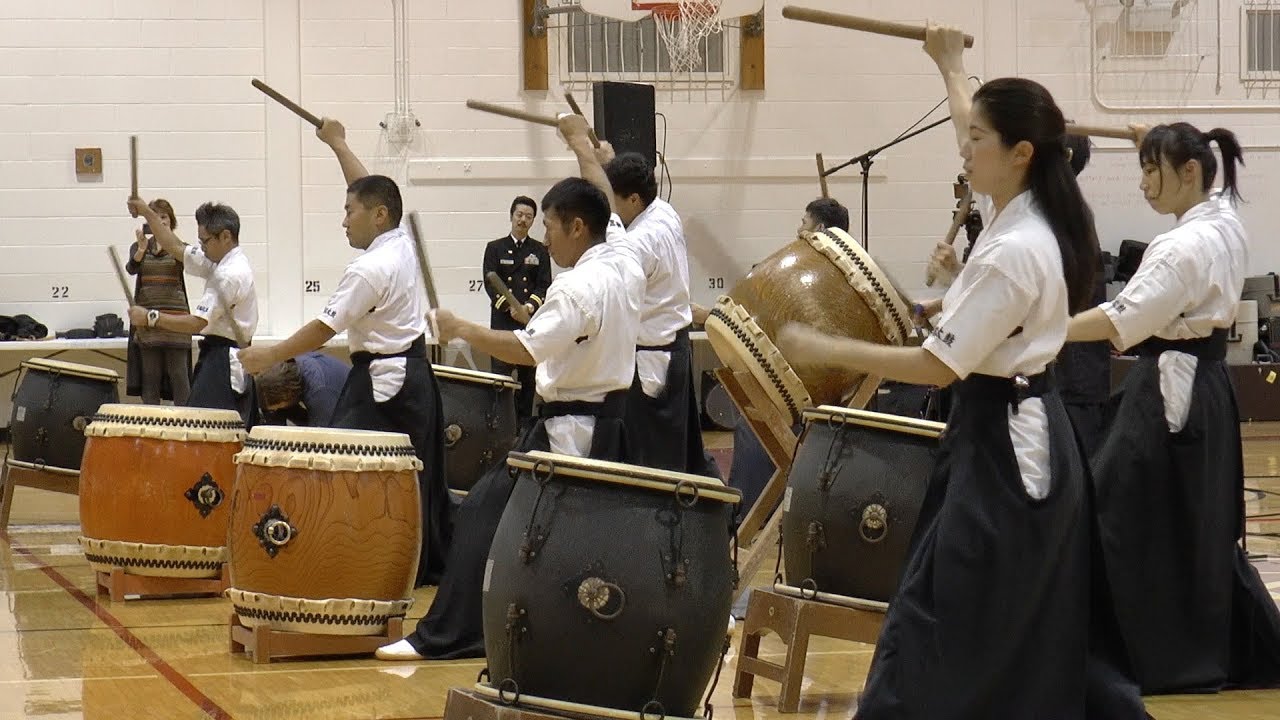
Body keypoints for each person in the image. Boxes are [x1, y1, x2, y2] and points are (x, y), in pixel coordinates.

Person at [777, 25, 1144, 718]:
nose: (964, 149)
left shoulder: (1017, 246)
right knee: (967, 612)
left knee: (945, 615)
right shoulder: (1021, 209)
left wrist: (829, 347)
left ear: (1021, 153)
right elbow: (970, 128)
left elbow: (935, 367)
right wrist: (949, 65)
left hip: (1008, 445)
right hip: (999, 430)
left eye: (978, 140)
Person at [375, 116, 644, 661]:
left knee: (481, 513)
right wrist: (579, 142)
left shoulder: (578, 286)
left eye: (550, 227)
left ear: (577, 228)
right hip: (613, 425)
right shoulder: (624, 257)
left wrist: (460, 328)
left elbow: (526, 348)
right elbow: (603, 195)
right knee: (584, 539)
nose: (545, 238)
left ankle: (448, 636)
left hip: (569, 433)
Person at [1066, 121, 1280, 694]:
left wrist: (1043, 329)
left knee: (1115, 514)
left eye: (1150, 169)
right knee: (1194, 523)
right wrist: (1150, 139)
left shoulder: (1180, 246)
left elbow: (1120, 319)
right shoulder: (1226, 220)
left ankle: (1140, 658)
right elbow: (1198, 164)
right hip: (1207, 387)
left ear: (1188, 172)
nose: (1142, 184)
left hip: (1170, 389)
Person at [237, 117, 451, 587]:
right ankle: (408, 566)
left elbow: (322, 330)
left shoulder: (370, 268)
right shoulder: (400, 241)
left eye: (349, 211)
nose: (343, 220)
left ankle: (363, 561)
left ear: (378, 216)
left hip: (386, 387)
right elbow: (369, 187)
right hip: (413, 376)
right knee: (413, 477)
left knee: (346, 470)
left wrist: (268, 356)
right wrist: (338, 143)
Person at [924, 132, 1112, 455]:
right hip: (1049, 378)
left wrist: (842, 351)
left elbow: (1022, 294)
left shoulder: (1056, 222)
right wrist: (954, 280)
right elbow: (1015, 293)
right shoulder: (1041, 216)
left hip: (1069, 378)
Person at [691, 195, 853, 522]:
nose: (798, 230)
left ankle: (746, 515)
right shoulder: (830, 275)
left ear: (820, 228)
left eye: (803, 224)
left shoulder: (815, 277)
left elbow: (770, 332)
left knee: (756, 419)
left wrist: (708, 317)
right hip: (818, 386)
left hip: (804, 390)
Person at [574, 142, 715, 477]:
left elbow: (606, 232)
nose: (612, 207)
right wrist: (609, 164)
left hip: (652, 359)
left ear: (634, 199)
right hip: (673, 348)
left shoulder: (640, 242)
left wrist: (582, 150)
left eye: (616, 199)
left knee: (653, 461)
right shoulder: (663, 211)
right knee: (682, 453)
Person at [126, 197, 258, 425]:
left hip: (225, 358)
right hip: (217, 353)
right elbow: (175, 247)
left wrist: (150, 317)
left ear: (225, 236)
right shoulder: (219, 261)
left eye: (205, 241)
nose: (202, 246)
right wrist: (146, 211)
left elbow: (197, 323)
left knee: (210, 428)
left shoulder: (230, 274)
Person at [483, 196, 551, 423]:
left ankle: (523, 429)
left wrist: (528, 307)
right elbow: (490, 284)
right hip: (502, 324)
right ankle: (499, 426)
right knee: (499, 382)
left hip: (529, 324)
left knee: (527, 383)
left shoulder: (540, 250)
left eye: (528, 216)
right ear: (511, 216)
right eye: (519, 215)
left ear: (533, 221)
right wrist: (510, 308)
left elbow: (544, 285)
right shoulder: (495, 248)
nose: (523, 220)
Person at [124, 198, 192, 406]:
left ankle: (186, 421)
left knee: (179, 375)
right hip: (147, 322)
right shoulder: (139, 246)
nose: (161, 221)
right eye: (156, 217)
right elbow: (131, 269)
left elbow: (190, 264)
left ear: (171, 221)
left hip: (176, 321)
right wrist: (141, 250)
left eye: (164, 217)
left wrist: (169, 240)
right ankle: (152, 422)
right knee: (150, 376)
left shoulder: (180, 247)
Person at [255, 351, 350, 427]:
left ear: (287, 394)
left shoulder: (319, 392)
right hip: (333, 406)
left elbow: (323, 436)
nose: (278, 409)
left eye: (278, 406)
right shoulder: (294, 363)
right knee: (284, 410)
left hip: (350, 419)